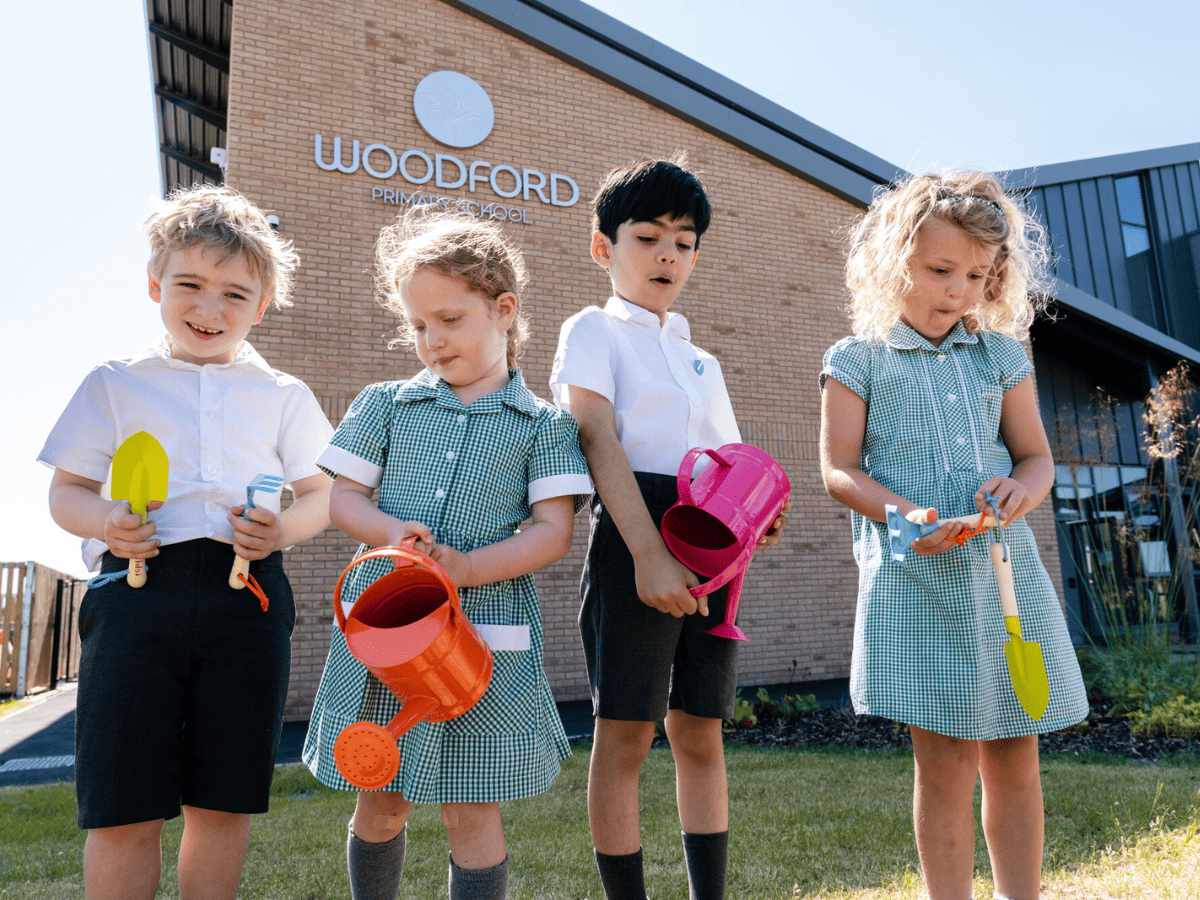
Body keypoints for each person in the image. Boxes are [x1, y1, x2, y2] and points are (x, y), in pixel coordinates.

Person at [39, 183, 334, 900]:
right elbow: (66, 492)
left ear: (262, 305)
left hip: (248, 598)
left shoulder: (284, 395)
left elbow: (324, 496)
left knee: (223, 799)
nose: (210, 308)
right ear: (155, 285)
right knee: (123, 801)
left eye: (235, 294)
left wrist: (281, 529)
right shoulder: (114, 384)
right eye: (190, 285)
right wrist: (106, 520)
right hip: (135, 594)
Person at [302, 209, 592, 900]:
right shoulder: (384, 404)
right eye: (418, 325)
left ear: (504, 310)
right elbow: (343, 500)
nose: (431, 340)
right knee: (382, 798)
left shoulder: (545, 426)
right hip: (389, 635)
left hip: (483, 646)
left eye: (449, 319)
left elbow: (553, 532)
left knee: (472, 809)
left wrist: (467, 569)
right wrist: (388, 532)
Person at [819, 171, 1089, 900]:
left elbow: (1035, 459)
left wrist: (1021, 489)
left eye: (976, 275)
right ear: (894, 260)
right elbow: (840, 471)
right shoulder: (857, 359)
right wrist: (907, 518)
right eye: (941, 270)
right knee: (944, 768)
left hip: (1003, 581)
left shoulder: (1001, 357)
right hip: (918, 581)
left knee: (1015, 759)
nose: (958, 291)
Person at [550, 154, 788, 900]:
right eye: (648, 237)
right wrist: (648, 554)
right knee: (626, 732)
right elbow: (595, 435)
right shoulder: (593, 329)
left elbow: (728, 460)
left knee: (700, 729)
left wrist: (758, 517)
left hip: (709, 540)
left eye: (684, 244)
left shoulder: (701, 360)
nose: (667, 256)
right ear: (603, 247)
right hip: (635, 530)